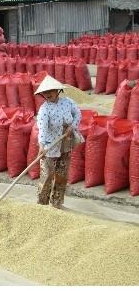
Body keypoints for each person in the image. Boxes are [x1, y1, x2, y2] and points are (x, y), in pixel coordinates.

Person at [35, 75, 82, 209]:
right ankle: (41, 206)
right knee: (47, 177)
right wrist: (42, 146)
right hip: (50, 146)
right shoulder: (44, 110)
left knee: (61, 176)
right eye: (45, 92)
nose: (48, 94)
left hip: (65, 144)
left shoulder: (67, 102)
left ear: (58, 91)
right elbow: (42, 130)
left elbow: (78, 114)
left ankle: (56, 204)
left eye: (51, 91)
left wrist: (71, 127)